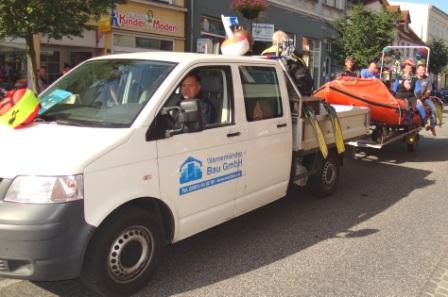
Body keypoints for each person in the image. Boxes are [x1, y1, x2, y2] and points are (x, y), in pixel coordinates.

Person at [262, 30, 314, 96]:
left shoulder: (264, 55)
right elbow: (304, 82)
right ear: (286, 41)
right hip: (289, 98)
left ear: (273, 42)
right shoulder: (293, 58)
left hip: (267, 93)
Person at [392, 59, 425, 126]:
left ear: (411, 69)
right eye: (406, 68)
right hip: (399, 96)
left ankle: (423, 120)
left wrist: (418, 99)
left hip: (410, 97)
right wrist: (391, 97)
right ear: (403, 69)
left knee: (419, 106)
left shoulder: (415, 79)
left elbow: (418, 89)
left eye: (410, 68)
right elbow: (394, 89)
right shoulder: (398, 78)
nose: (408, 70)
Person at [415, 63, 437, 136]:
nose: (422, 71)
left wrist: (422, 98)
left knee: (434, 109)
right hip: (414, 98)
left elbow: (428, 91)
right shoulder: (413, 78)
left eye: (423, 70)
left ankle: (432, 126)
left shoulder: (427, 79)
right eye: (421, 70)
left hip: (425, 98)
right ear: (417, 70)